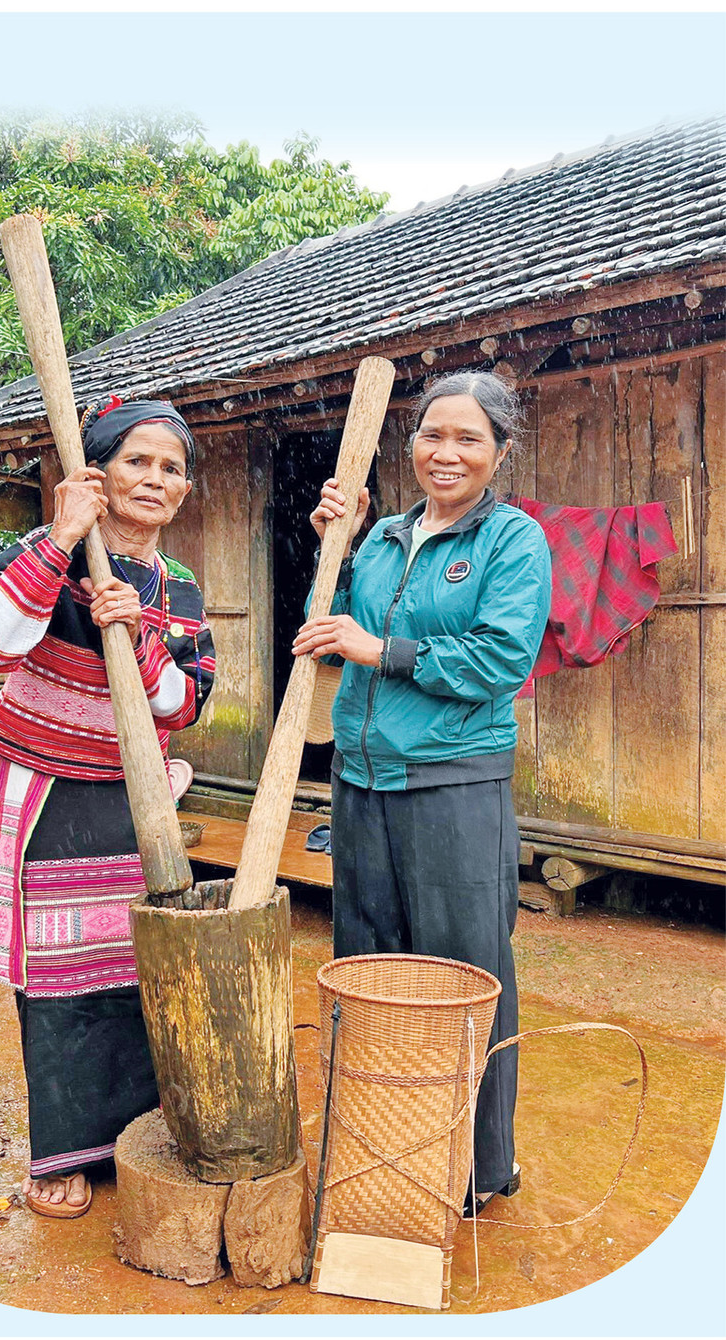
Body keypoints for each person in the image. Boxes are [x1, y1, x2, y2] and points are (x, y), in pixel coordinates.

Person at [293, 371, 551, 1215]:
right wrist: (333, 543)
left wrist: (380, 651)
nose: (447, 453)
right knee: (369, 963)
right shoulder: (383, 537)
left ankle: (476, 1169)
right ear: (410, 446)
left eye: (469, 439)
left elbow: (499, 663)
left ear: (500, 452)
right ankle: (388, 1147)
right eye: (432, 436)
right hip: (362, 781)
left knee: (463, 970)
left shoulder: (512, 541)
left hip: (454, 787)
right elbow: (322, 627)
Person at [0, 396, 214, 1218]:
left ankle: (135, 1133)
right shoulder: (47, 550)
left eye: (171, 467)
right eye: (137, 460)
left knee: (139, 970)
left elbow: (181, 705)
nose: (155, 478)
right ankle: (61, 1151)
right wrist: (66, 535)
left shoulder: (176, 587)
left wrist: (138, 636)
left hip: (136, 800)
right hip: (49, 798)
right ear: (98, 471)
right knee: (61, 977)